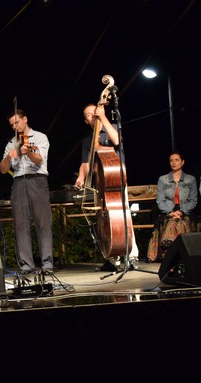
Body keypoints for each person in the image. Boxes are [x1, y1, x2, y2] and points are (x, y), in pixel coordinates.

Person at [74, 102, 139, 270]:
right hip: (100, 183)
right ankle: (111, 258)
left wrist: (103, 117)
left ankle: (131, 256)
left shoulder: (112, 127)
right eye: (89, 114)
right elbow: (85, 164)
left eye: (94, 112)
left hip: (116, 179)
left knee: (124, 216)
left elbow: (116, 140)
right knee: (104, 220)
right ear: (86, 120)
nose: (93, 115)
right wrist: (81, 177)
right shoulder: (87, 141)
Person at [0, 108, 53, 274]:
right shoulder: (11, 143)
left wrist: (28, 150)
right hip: (18, 182)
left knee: (43, 222)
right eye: (12, 125)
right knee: (21, 224)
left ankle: (47, 265)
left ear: (25, 120)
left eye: (17, 122)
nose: (15, 126)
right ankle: (26, 265)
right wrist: (10, 156)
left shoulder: (40, 137)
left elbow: (39, 160)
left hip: (37, 180)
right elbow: (3, 169)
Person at [148, 151, 198, 261]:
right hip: (167, 211)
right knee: (171, 222)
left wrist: (182, 211)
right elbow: (160, 200)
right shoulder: (163, 179)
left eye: (176, 160)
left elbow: (193, 200)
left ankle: (175, 253)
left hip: (185, 211)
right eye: (171, 160)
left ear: (182, 162)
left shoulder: (191, 179)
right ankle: (170, 251)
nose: (174, 163)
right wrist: (170, 212)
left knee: (181, 222)